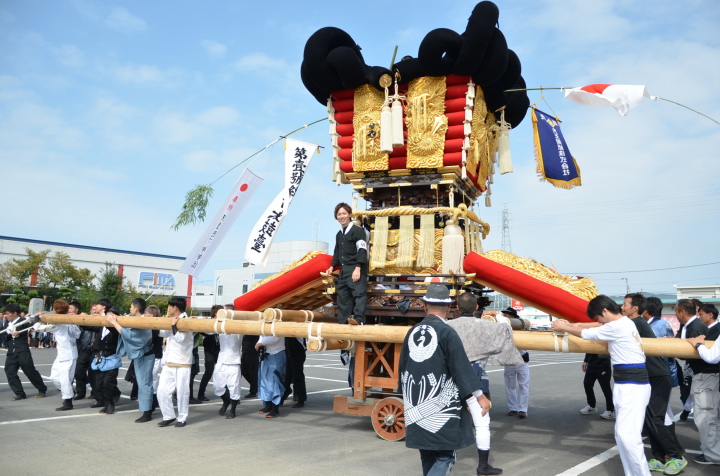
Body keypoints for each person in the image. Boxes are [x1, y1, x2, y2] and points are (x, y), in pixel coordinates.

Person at [552, 295, 651, 476]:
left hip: (632, 385)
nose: (599, 321)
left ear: (604, 311)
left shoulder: (618, 326)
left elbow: (588, 334)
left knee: (628, 437)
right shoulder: (624, 323)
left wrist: (563, 327)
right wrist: (571, 325)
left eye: (598, 316)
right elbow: (594, 327)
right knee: (622, 435)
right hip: (628, 384)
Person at [399, 284, 490, 475]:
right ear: (449, 308)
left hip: (415, 405)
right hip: (441, 408)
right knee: (444, 456)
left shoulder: (412, 331)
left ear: (424, 306)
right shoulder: (447, 332)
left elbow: (403, 368)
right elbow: (461, 367)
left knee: (427, 454)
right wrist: (480, 396)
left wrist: (406, 397)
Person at [622, 293, 686, 474]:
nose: (622, 307)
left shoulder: (635, 323)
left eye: (625, 304)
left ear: (635, 308)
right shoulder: (635, 323)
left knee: (656, 418)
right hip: (648, 376)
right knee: (650, 418)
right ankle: (658, 458)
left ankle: (676, 456)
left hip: (657, 376)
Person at [447, 291, 504, 475]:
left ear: (457, 307)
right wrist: (498, 315)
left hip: (451, 378)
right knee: (482, 423)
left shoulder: (447, 326)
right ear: (476, 307)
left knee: (449, 419)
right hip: (476, 378)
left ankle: (444, 461)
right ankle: (483, 466)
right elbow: (506, 330)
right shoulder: (486, 326)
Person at [106, 298, 155, 423]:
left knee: (144, 384)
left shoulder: (143, 321)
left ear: (136, 309)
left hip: (146, 355)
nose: (130, 309)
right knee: (143, 383)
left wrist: (114, 322)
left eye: (131, 307)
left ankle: (147, 412)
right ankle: (150, 406)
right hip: (141, 355)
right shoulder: (135, 319)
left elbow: (130, 335)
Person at [684, 302, 720, 466]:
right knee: (714, 418)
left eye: (701, 314)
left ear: (710, 315)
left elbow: (712, 357)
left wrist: (698, 344)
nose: (699, 317)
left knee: (706, 417)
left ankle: (713, 455)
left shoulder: (716, 331)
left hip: (708, 377)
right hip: (713, 378)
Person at [326, 202, 368, 325]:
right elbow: (337, 252)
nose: (342, 216)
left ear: (349, 214)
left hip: (356, 269)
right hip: (344, 271)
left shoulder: (358, 231)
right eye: (339, 214)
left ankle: (359, 319)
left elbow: (362, 250)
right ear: (336, 217)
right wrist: (332, 266)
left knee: (359, 294)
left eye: (344, 213)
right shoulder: (339, 234)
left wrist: (358, 268)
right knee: (343, 298)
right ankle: (343, 322)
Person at [36, 300, 81, 411]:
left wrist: (37, 320)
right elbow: (78, 334)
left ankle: (68, 401)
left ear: (55, 310)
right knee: (54, 377)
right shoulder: (69, 320)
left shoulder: (59, 322)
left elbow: (38, 328)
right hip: (64, 353)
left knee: (64, 379)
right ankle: (69, 392)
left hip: (67, 354)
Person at [156, 296, 193, 427]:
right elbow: (163, 334)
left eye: (169, 307)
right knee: (162, 391)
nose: (168, 309)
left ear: (175, 307)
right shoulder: (172, 319)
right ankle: (169, 415)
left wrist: (173, 326)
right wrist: (161, 323)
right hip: (169, 361)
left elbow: (181, 339)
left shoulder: (186, 320)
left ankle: (182, 418)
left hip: (182, 362)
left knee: (182, 392)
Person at [3, 303, 48, 400]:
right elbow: (5, 338)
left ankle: (42, 389)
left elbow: (34, 326)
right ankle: (20, 393)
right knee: (10, 371)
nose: (6, 316)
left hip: (22, 350)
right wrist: (10, 335)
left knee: (29, 370)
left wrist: (37, 316)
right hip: (11, 352)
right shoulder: (7, 324)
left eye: (8, 313)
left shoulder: (23, 321)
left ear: (15, 313)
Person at [211, 304, 243, 419]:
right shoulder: (220, 324)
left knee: (234, 387)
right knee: (217, 387)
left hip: (234, 361)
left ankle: (233, 410)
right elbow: (208, 330)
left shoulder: (239, 325)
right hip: (221, 360)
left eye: (226, 312)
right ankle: (226, 401)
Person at [500, 307, 530, 419]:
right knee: (510, 386)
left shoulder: (521, 326)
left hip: (522, 359)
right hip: (509, 360)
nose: (504, 316)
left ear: (513, 317)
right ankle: (513, 408)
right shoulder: (503, 327)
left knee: (523, 385)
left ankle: (522, 409)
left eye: (507, 315)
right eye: (504, 315)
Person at [255, 333, 286, 419]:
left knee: (275, 382)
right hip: (266, 354)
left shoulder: (279, 325)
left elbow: (276, 337)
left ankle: (275, 408)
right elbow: (261, 334)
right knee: (265, 380)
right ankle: (268, 405)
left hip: (276, 353)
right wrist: (259, 342)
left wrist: (261, 343)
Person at [580, 353, 614, 420]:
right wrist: (586, 360)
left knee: (605, 387)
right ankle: (592, 406)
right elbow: (588, 348)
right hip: (591, 364)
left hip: (603, 365)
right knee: (587, 384)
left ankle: (610, 410)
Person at [198, 305, 221, 402]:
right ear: (216, 314)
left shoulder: (224, 323)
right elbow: (206, 332)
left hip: (220, 351)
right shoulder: (208, 322)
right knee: (209, 372)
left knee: (224, 372)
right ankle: (201, 394)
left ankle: (229, 395)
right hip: (209, 351)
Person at [144, 304, 164, 413]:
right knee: (150, 378)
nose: (144, 315)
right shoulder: (151, 325)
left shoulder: (156, 326)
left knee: (153, 379)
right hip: (150, 355)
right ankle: (153, 400)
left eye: (146, 313)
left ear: (151, 315)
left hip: (155, 355)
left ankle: (154, 400)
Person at [282, 336, 307, 409]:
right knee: (287, 375)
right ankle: (285, 393)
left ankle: (301, 399)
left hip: (298, 351)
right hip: (288, 351)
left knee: (298, 376)